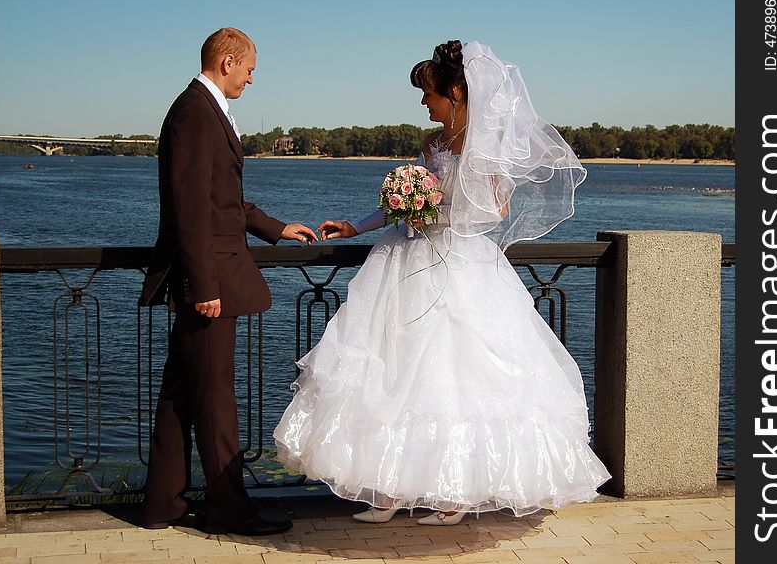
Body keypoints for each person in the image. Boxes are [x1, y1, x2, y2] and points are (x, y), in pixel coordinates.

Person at [273, 40, 610, 526]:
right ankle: (386, 491)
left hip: (462, 263)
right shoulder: (431, 145)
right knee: (391, 373)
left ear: (454, 92)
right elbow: (400, 206)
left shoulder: (485, 146)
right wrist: (358, 225)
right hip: (405, 260)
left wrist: (445, 200)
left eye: (428, 93)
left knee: (454, 380)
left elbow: (498, 211)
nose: (423, 103)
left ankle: (453, 497)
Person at [139, 27, 317, 535]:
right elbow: (190, 208)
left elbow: (221, 201)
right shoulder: (196, 111)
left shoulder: (199, 109)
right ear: (227, 60)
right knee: (216, 400)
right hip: (209, 282)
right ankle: (229, 510)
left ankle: (161, 506)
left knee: (179, 396)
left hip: (209, 274)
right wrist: (204, 287)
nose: (251, 78)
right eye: (250, 68)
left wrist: (275, 228)